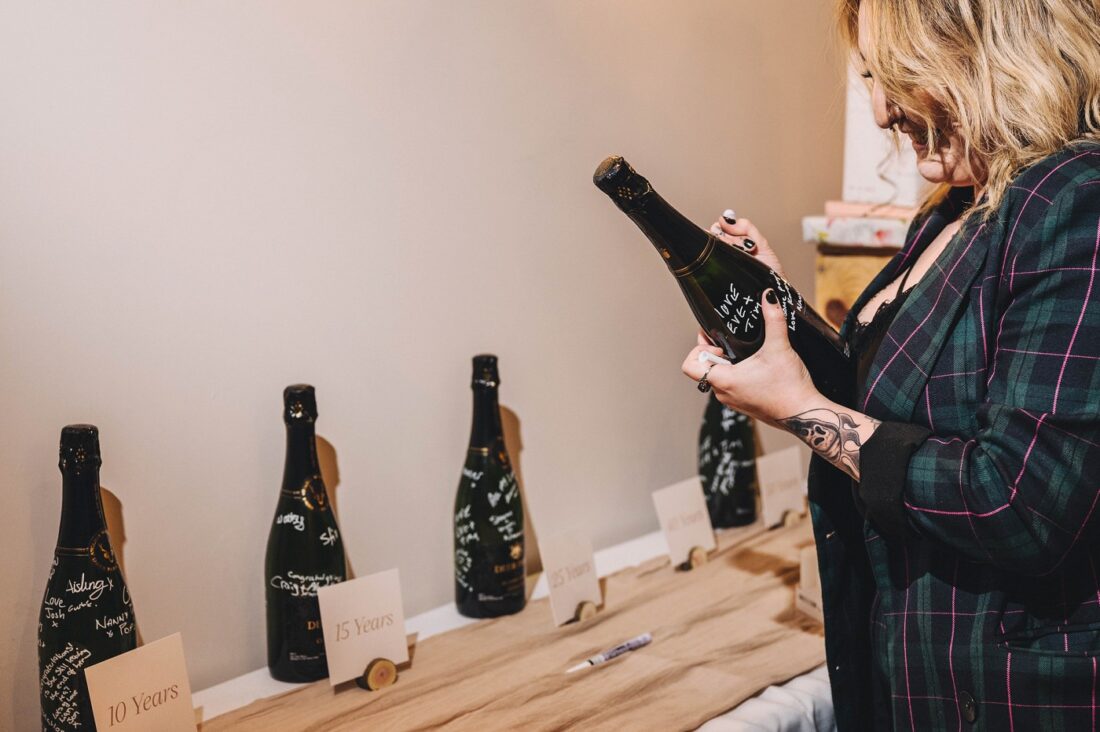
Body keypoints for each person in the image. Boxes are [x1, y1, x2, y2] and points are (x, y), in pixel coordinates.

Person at [682, 0, 1100, 728]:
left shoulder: (1073, 200)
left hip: (1015, 697)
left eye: (898, 75)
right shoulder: (951, 210)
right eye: (873, 79)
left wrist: (800, 412)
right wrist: (783, 320)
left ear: (990, 52)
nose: (880, 110)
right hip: (918, 670)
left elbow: (1021, 503)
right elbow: (893, 403)